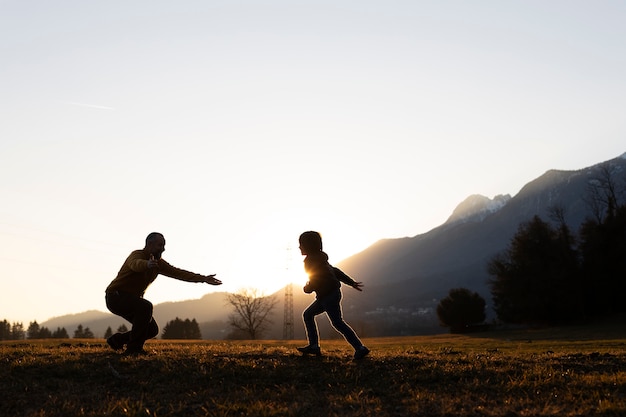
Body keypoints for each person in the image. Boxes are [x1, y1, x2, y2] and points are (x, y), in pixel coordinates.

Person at [105, 232, 222, 355]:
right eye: (160, 245)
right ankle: (134, 350)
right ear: (149, 244)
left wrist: (203, 279)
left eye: (164, 245)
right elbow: (135, 265)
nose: (163, 249)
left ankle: (116, 340)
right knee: (145, 307)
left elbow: (178, 273)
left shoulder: (158, 263)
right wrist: (147, 264)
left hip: (131, 299)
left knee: (151, 330)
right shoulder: (137, 255)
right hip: (115, 297)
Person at [297, 231, 370, 360]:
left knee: (337, 322)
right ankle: (314, 346)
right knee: (308, 315)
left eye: (301, 244)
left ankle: (360, 348)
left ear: (308, 245)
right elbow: (334, 271)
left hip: (328, 295)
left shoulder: (310, 261)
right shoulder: (321, 258)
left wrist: (307, 288)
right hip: (330, 294)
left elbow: (315, 279)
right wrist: (351, 282)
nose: (299, 247)